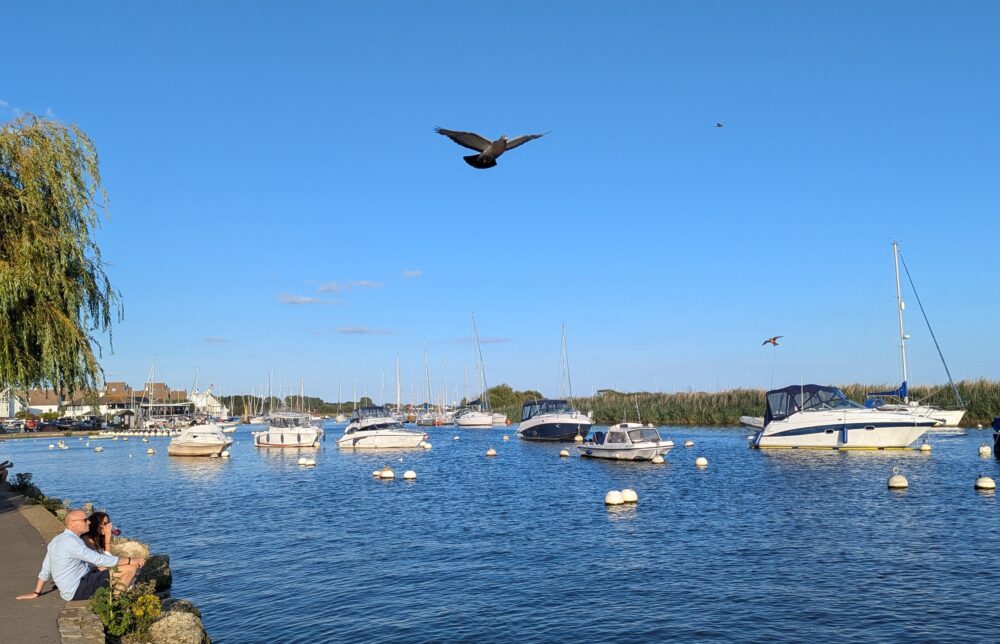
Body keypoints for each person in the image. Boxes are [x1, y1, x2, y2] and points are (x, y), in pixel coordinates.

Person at [16, 509, 145, 601]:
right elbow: (98, 559)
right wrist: (130, 560)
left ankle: (114, 598)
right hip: (78, 588)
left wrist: (36, 592)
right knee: (130, 569)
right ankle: (116, 603)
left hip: (77, 583)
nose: (88, 522)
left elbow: (46, 567)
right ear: (72, 523)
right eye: (85, 520)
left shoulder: (58, 539)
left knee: (111, 568)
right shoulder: (72, 542)